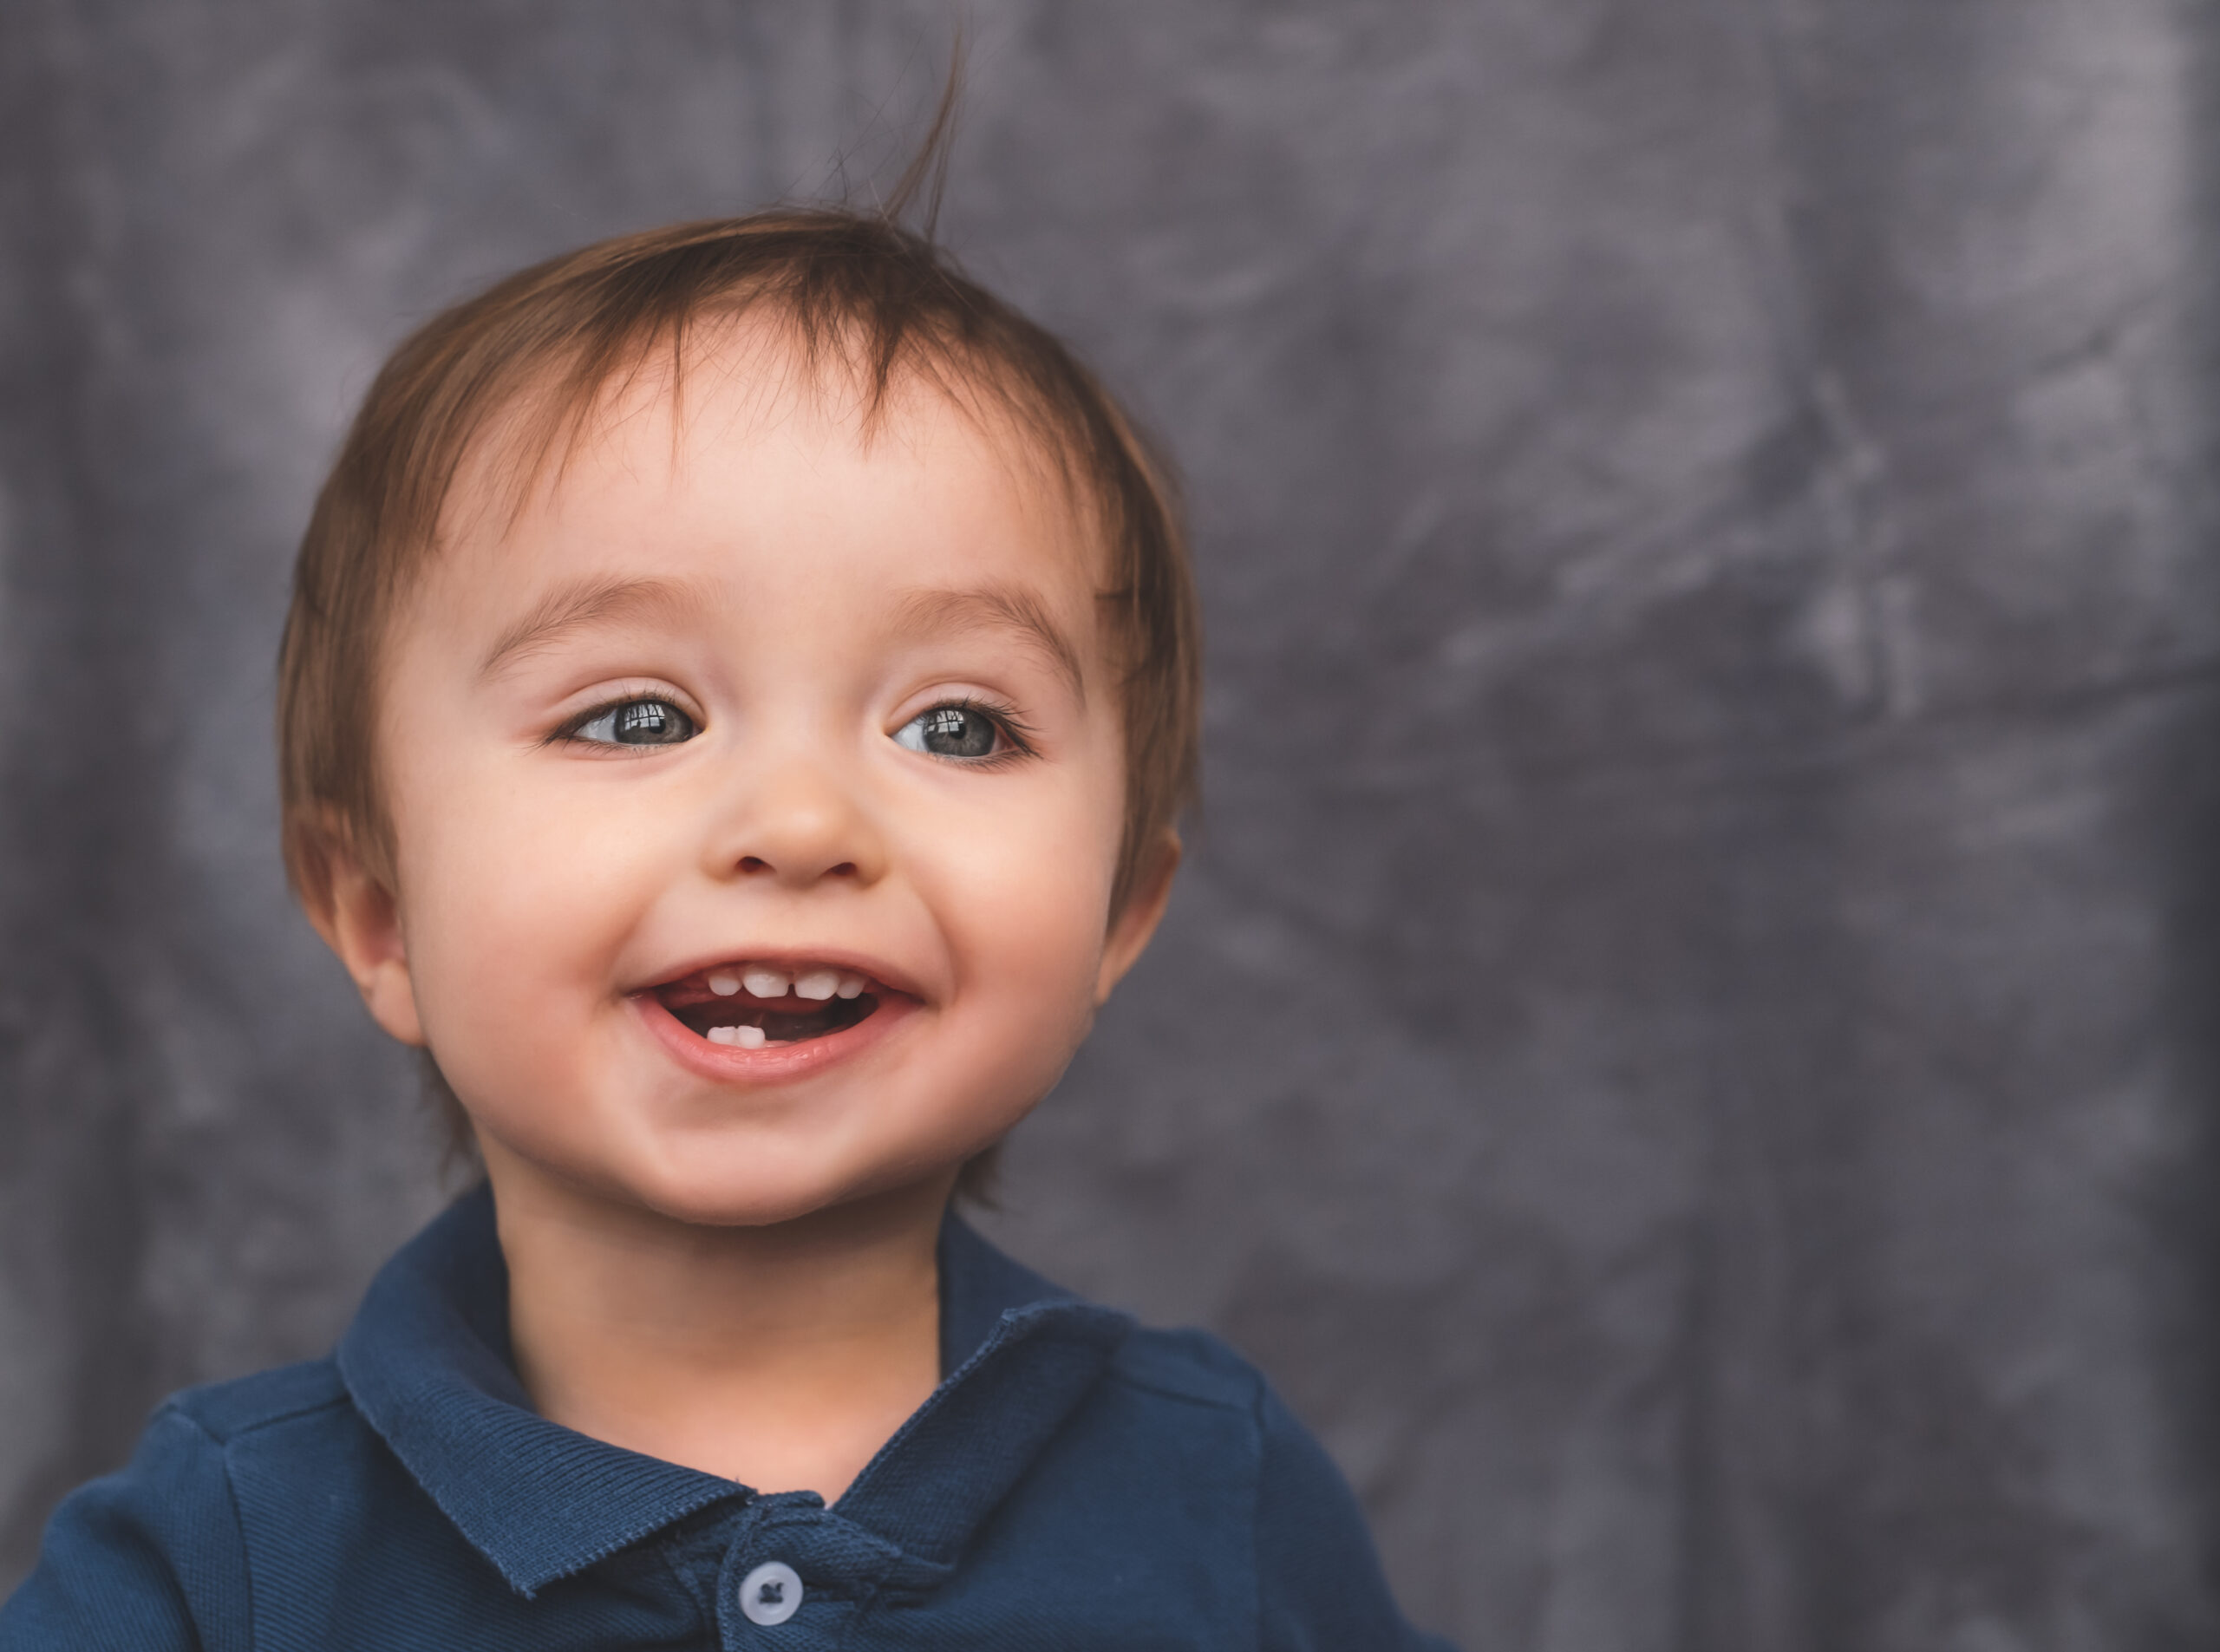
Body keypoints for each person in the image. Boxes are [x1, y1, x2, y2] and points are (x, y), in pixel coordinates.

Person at [1, 146, 1452, 1649]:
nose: (804, 822)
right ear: (378, 916)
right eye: (637, 716)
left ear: (1118, 915)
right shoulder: (219, 1560)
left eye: (957, 724)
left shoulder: (1224, 1498)